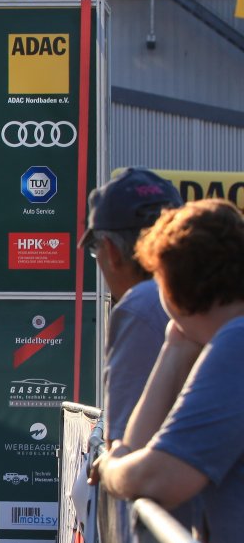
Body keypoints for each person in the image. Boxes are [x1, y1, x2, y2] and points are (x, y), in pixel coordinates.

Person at [89, 200, 244, 543]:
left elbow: (161, 478)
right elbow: (137, 447)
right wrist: (176, 345)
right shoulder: (227, 337)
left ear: (170, 284)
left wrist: (110, 469)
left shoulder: (236, 343)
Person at [81, 168, 183, 442]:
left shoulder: (141, 305)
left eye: (94, 249)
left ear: (112, 251)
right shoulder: (218, 296)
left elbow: (125, 442)